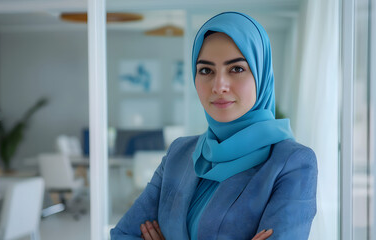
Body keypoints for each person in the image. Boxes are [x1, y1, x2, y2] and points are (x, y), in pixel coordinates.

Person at [110, 12, 317, 240]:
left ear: (261, 74)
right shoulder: (180, 152)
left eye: (236, 69)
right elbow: (123, 234)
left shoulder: (293, 162)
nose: (219, 86)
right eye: (206, 70)